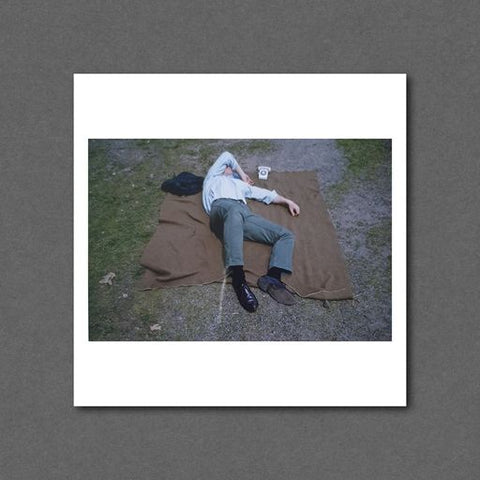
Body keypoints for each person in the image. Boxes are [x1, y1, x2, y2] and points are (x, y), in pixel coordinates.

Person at [202, 151, 300, 312]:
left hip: (242, 213)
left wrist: (287, 201)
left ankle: (273, 277)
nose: (229, 168)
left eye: (231, 168)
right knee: (234, 210)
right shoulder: (213, 178)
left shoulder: (241, 186)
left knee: (285, 235)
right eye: (227, 167)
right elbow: (227, 156)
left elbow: (264, 194)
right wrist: (242, 174)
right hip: (220, 209)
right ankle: (238, 280)